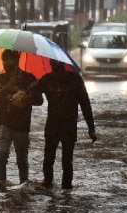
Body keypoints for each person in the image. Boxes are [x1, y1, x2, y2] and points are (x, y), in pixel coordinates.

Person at [32, 59, 97, 189]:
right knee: (53, 159)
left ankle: (58, 187)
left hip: (64, 126)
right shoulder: (50, 79)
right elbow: (36, 98)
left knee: (60, 160)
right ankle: (56, 187)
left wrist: (91, 128)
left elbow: (85, 104)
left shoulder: (72, 79)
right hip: (58, 126)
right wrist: (91, 129)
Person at [0, 49, 43, 192]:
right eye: (4, 61)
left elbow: (39, 100)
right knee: (2, 156)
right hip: (4, 123)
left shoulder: (29, 79)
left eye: (9, 61)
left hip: (22, 124)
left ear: (16, 61)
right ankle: (1, 185)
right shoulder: (0, 79)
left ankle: (24, 185)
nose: (6, 64)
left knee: (22, 158)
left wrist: (27, 98)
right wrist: (9, 95)